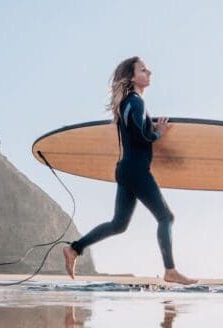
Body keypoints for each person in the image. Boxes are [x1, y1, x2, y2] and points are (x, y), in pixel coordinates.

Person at [63, 56, 198, 285]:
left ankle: (74, 249)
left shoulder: (127, 103)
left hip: (126, 169)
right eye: (143, 70)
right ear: (132, 77)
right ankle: (170, 270)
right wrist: (159, 132)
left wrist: (150, 126)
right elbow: (142, 136)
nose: (149, 73)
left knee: (119, 224)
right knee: (166, 217)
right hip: (135, 170)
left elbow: (136, 131)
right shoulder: (135, 102)